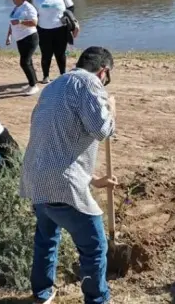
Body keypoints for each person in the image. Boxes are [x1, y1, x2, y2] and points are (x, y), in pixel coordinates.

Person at [19, 47, 118, 304]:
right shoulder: (91, 84)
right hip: (61, 182)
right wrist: (112, 109)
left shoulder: (53, 86)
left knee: (46, 238)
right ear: (103, 71)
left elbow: (60, 139)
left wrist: (93, 180)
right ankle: (97, 300)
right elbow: (102, 130)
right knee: (95, 248)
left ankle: (42, 293)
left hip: (36, 176)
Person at [34, 0, 80, 84]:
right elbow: (33, 14)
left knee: (61, 54)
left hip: (60, 30)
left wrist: (73, 24)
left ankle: (62, 74)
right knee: (46, 54)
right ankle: (46, 76)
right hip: (44, 31)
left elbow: (71, 10)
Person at [5, 0, 39, 96]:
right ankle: (31, 83)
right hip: (20, 39)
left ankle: (34, 86)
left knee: (24, 62)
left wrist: (20, 21)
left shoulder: (28, 7)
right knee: (28, 62)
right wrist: (9, 35)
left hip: (30, 38)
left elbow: (34, 23)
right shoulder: (16, 7)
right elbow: (12, 23)